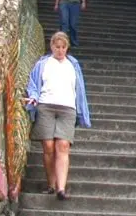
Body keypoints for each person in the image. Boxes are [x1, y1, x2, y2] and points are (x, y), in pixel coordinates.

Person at [26, 31, 91, 200]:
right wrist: (33, 98)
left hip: (67, 108)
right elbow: (33, 83)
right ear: (51, 47)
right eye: (57, 47)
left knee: (63, 146)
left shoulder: (73, 65)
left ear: (67, 47)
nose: (60, 50)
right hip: (46, 105)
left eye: (63, 47)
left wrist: (81, 111)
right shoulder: (43, 64)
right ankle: (51, 184)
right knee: (48, 146)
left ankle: (61, 188)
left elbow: (79, 88)